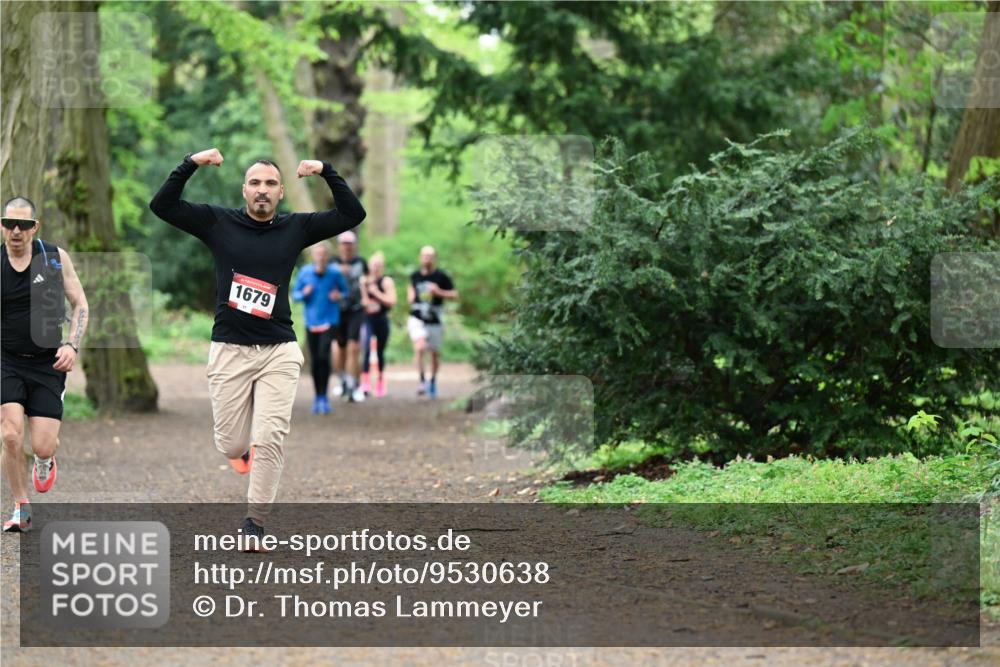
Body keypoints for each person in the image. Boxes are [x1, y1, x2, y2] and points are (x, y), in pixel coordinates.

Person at [149, 149, 364, 542]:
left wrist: (326, 172)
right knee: (230, 442)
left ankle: (255, 523)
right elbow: (162, 205)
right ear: (244, 190)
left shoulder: (296, 228)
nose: (262, 190)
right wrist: (191, 163)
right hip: (230, 348)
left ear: (281, 192)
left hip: (279, 350)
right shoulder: (217, 222)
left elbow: (353, 215)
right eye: (255, 183)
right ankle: (242, 452)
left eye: (269, 184)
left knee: (269, 438)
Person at [1, 196, 88, 532]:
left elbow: (80, 303)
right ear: (2, 226)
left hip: (46, 363)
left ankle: (45, 458)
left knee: (42, 443)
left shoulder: (53, 258)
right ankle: (21, 507)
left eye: (23, 225)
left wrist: (72, 344)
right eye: (10, 224)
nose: (16, 231)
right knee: (9, 435)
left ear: (35, 227)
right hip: (5, 359)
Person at [292, 242, 348, 415]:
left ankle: (324, 396)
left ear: (328, 255)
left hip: (330, 320)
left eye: (324, 253)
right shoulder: (305, 272)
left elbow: (346, 291)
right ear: (313, 255)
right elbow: (295, 295)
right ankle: (318, 397)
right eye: (318, 253)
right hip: (311, 322)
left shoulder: (335, 273)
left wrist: (338, 295)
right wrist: (304, 293)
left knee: (324, 355)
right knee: (316, 361)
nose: (321, 256)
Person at [407, 246, 458, 400]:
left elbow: (455, 295)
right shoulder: (414, 275)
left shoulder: (442, 276)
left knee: (434, 354)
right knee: (420, 347)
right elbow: (410, 292)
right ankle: (422, 380)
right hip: (417, 317)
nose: (427, 258)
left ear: (435, 258)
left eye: (430, 256)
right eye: (424, 255)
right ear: (420, 257)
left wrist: (439, 292)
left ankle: (433, 381)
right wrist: (411, 298)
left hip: (435, 318)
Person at [331, 231, 368, 403]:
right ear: (339, 246)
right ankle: (343, 379)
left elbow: (367, 281)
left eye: (350, 244)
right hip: (338, 310)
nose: (347, 247)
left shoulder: (361, 262)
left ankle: (355, 385)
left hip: (356, 309)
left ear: (354, 245)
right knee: (340, 349)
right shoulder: (333, 263)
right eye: (344, 244)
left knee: (354, 347)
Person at [360, 251, 396, 397]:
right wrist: (364, 289)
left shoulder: (386, 282)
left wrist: (376, 293)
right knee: (367, 348)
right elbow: (364, 303)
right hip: (368, 320)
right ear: (369, 266)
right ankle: (365, 382)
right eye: (373, 264)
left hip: (382, 320)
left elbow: (392, 301)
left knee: (380, 351)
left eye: (378, 265)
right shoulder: (364, 281)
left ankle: (380, 381)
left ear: (382, 267)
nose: (375, 267)